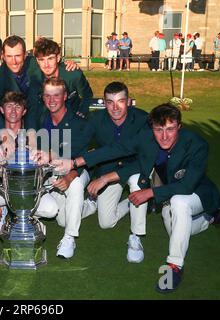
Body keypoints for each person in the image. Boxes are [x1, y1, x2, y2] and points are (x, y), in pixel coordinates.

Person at [53, 103, 220, 292]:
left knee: (179, 204)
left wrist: (150, 192)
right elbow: (116, 149)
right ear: (151, 127)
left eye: (170, 129)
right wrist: (75, 162)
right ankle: (209, 219)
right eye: (159, 129)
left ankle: (174, 267)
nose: (164, 136)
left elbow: (186, 186)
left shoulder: (197, 144)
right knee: (175, 227)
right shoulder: (146, 138)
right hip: (170, 195)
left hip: (195, 193)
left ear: (179, 126)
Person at [0, 91, 58, 233]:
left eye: (18, 107)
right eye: (9, 106)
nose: (13, 111)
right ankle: (3, 212)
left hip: (28, 189)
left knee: (51, 209)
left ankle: (26, 216)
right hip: (0, 188)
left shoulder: (32, 135)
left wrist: (45, 157)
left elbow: (54, 153)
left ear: (24, 111)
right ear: (2, 110)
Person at [81, 82, 148, 263]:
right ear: (104, 102)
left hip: (136, 168)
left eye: (120, 101)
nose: (115, 107)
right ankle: (129, 202)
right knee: (106, 223)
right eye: (110, 102)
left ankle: (136, 236)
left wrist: (104, 179)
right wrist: (68, 161)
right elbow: (81, 144)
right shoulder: (96, 119)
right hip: (110, 168)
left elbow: (146, 160)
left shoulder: (143, 119)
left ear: (129, 102)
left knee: (136, 182)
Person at [34, 78, 91, 259]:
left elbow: (83, 159)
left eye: (56, 95)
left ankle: (69, 238)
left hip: (77, 170)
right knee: (62, 220)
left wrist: (69, 177)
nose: (51, 100)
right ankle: (88, 206)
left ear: (65, 96)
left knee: (74, 186)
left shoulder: (79, 122)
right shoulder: (42, 118)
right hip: (53, 171)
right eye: (47, 96)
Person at [27, 37, 93, 130]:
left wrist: (82, 111)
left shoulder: (73, 74)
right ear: (37, 60)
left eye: (50, 58)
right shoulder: (34, 78)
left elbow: (87, 95)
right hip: (46, 120)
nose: (46, 64)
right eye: (41, 60)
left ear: (58, 58)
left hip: (71, 118)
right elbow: (32, 107)